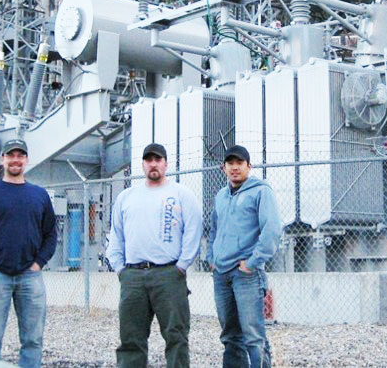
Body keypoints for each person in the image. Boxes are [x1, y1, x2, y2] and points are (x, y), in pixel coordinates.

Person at [106, 143, 202, 368]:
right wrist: (120, 268)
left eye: (158, 159)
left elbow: (193, 231)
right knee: (131, 339)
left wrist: (182, 265)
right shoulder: (126, 197)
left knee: (176, 337)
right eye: (149, 160)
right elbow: (116, 234)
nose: (153, 164)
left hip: (169, 275)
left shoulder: (181, 194)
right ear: (143, 164)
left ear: (166, 164)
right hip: (133, 276)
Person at [0, 138, 57, 368]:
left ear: (26, 160)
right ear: (2, 159)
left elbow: (51, 235)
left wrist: (39, 263)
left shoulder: (39, 195)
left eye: (20, 155)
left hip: (30, 277)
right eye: (11, 155)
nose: (16, 160)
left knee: (33, 340)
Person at [207, 145, 282, 368]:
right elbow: (213, 229)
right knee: (230, 335)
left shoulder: (261, 191)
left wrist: (252, 262)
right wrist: (212, 258)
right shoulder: (221, 196)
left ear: (249, 166)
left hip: (246, 275)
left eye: (239, 163)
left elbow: (271, 231)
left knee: (253, 336)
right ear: (224, 168)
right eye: (230, 163)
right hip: (221, 274)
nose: (235, 167)